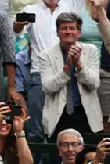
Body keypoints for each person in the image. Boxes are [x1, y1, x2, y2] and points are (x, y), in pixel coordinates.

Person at [38, 10, 102, 140]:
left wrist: (79, 64)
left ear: (78, 32)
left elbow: (94, 83)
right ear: (57, 32)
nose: (68, 32)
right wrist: (66, 69)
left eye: (72, 28)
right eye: (64, 28)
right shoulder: (46, 55)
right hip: (58, 115)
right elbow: (47, 87)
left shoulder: (90, 51)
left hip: (85, 113)